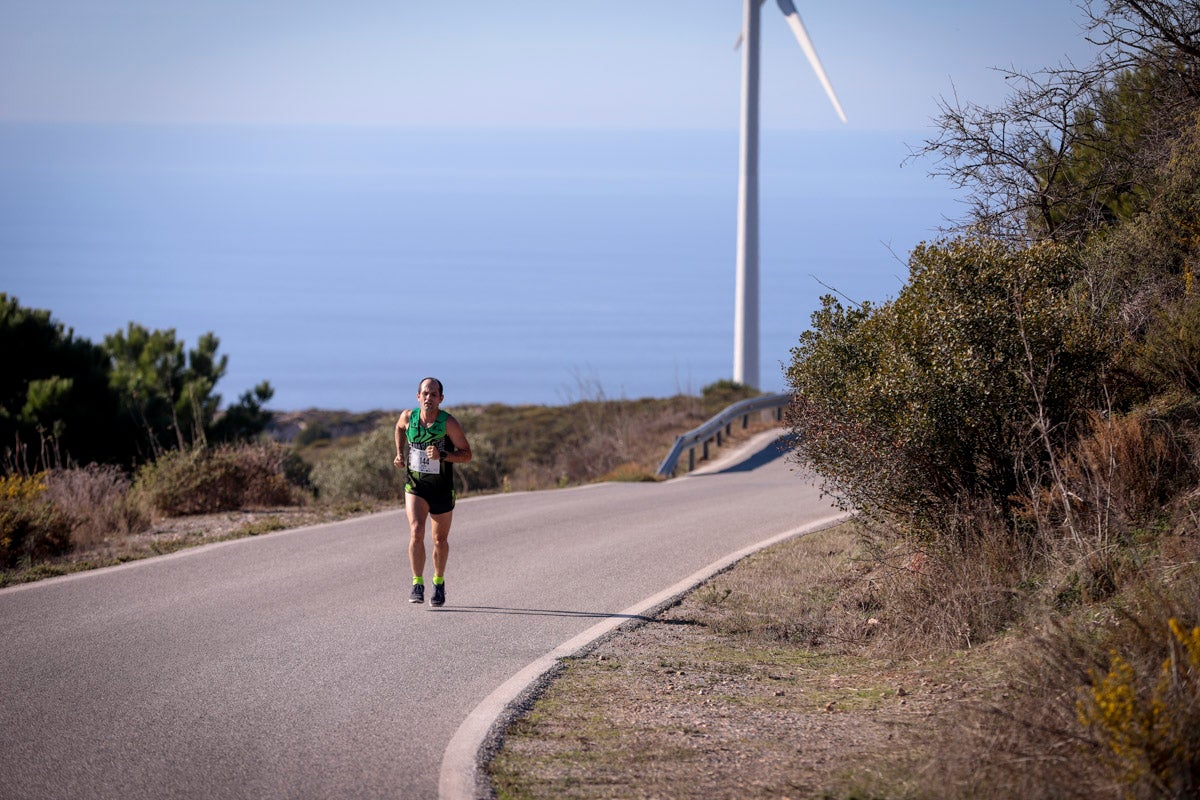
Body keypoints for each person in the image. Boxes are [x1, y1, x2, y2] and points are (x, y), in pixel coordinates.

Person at [394, 377, 472, 607]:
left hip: (441, 489)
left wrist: (443, 456)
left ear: (441, 399)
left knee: (439, 540)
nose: (429, 398)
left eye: (434, 394)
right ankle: (417, 583)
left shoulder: (448, 424)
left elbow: (467, 454)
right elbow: (399, 428)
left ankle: (438, 582)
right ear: (418, 396)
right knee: (416, 531)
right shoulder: (408, 417)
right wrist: (399, 453)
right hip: (415, 487)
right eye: (425, 394)